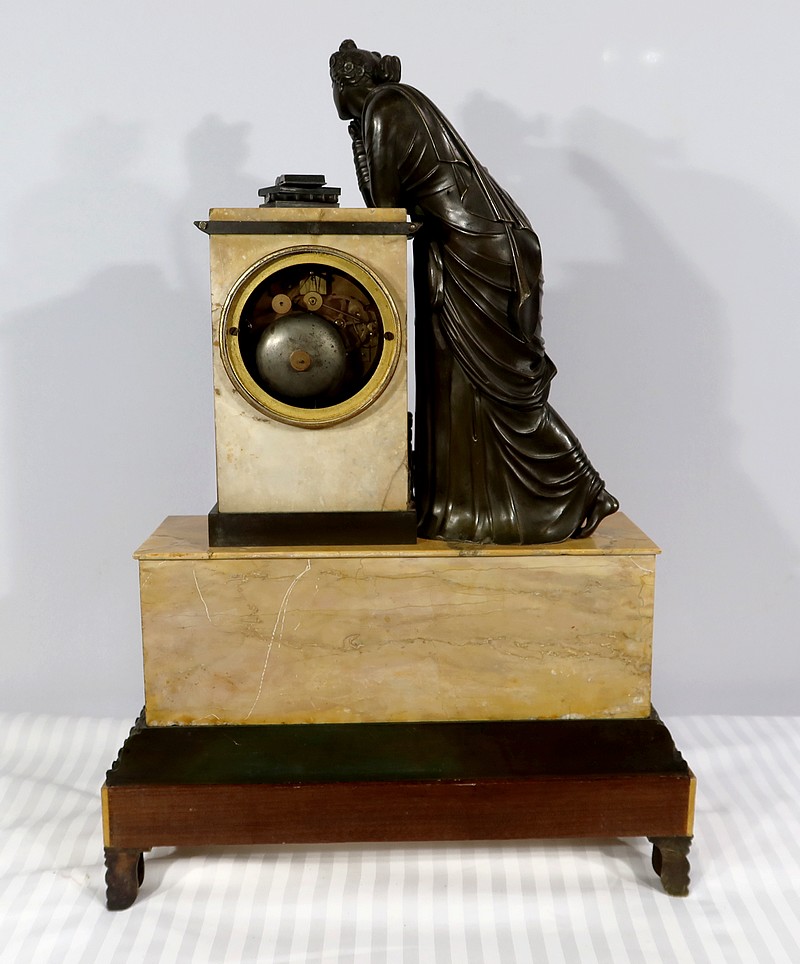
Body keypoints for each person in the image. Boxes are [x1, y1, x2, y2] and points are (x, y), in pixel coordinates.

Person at [330, 40, 618, 543]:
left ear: (345, 82)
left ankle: (582, 488)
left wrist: (358, 143)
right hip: (474, 248)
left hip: (474, 253)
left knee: (502, 390)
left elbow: (384, 209)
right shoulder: (403, 103)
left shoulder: (385, 106)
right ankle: (463, 508)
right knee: (460, 384)